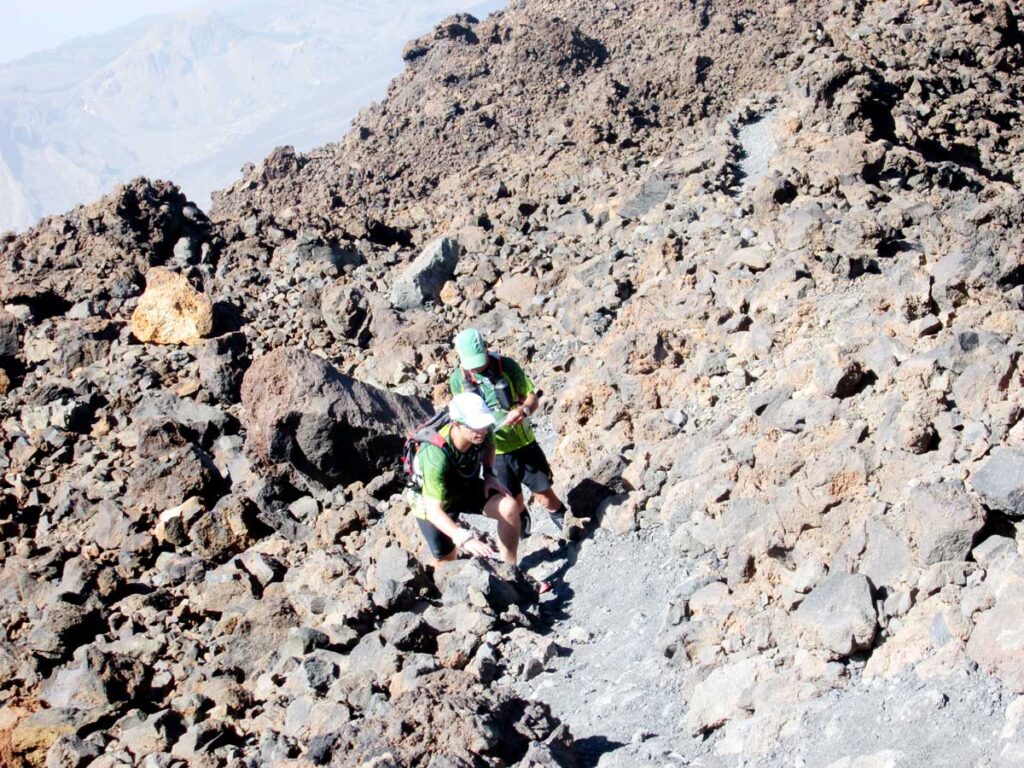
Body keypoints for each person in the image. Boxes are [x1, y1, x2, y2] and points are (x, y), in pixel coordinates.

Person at [449, 328, 568, 538]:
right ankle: (528, 539)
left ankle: (571, 530)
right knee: (514, 502)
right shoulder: (458, 379)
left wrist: (523, 411)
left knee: (544, 495)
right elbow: (462, 415)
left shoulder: (506, 366)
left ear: (486, 347)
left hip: (523, 443)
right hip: (493, 452)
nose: (476, 367)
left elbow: (531, 397)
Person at [412, 392, 525, 565]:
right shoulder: (434, 454)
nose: (482, 431)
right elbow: (434, 511)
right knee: (447, 560)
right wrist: (463, 537)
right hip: (431, 501)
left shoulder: (484, 431)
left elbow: (490, 444)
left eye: (484, 425)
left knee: (509, 507)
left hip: (462, 485)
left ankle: (511, 572)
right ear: (456, 424)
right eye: (475, 426)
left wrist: (489, 474)